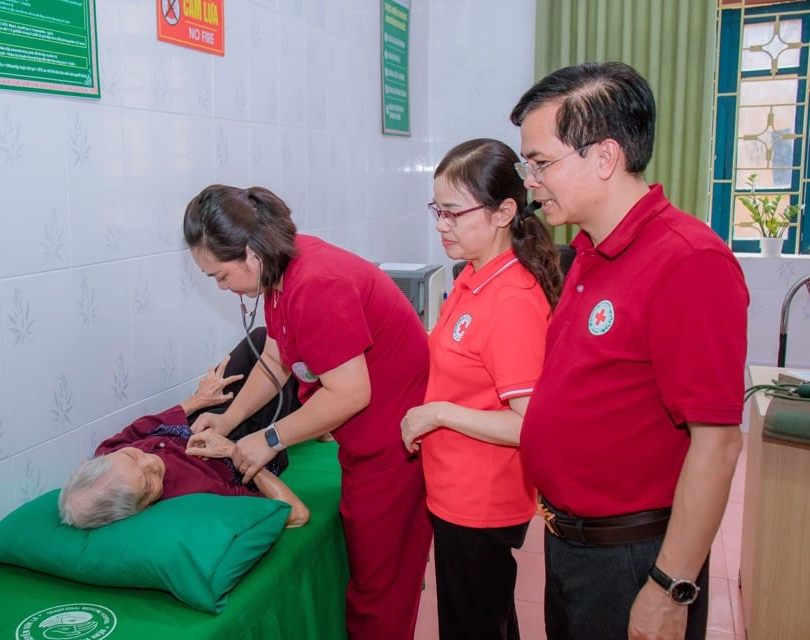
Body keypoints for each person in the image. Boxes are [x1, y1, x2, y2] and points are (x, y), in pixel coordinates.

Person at [509, 61, 748, 640]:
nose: (530, 182)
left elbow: (716, 444)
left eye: (540, 163)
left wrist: (671, 588)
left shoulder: (688, 262)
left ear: (605, 156)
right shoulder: (589, 251)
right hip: (571, 544)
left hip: (634, 557)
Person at [182, 184, 432, 640]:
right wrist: (229, 419)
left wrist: (270, 438)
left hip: (395, 450)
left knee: (378, 593)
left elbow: (349, 394)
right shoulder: (283, 271)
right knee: (373, 582)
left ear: (251, 254)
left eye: (220, 275)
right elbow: (277, 358)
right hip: (365, 444)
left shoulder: (316, 283)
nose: (222, 288)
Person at [399, 138, 562, 640]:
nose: (441, 225)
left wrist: (439, 414)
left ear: (502, 212)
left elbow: (528, 423)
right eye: (437, 210)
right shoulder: (474, 276)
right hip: (456, 490)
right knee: (485, 618)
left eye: (452, 213)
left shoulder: (511, 300)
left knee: (472, 624)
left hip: (482, 502)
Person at [58, 327, 308, 529]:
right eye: (148, 482)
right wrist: (232, 451)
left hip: (203, 420)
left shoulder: (109, 451)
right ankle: (320, 410)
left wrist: (198, 399)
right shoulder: (195, 496)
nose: (152, 463)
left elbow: (142, 428)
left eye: (133, 456)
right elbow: (296, 513)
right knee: (277, 375)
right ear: (142, 509)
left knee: (262, 340)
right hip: (245, 447)